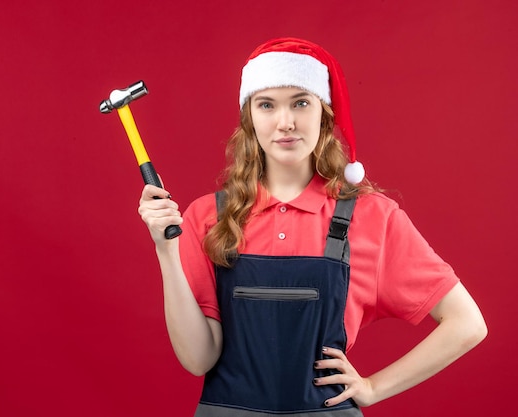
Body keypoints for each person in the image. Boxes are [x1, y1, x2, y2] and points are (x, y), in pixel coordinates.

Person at [138, 37, 487, 416]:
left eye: (301, 103)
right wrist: (165, 250)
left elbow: (466, 323)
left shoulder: (372, 217)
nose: (285, 122)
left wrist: (373, 387)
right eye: (266, 104)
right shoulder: (208, 217)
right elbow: (198, 359)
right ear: (249, 117)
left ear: (324, 113)